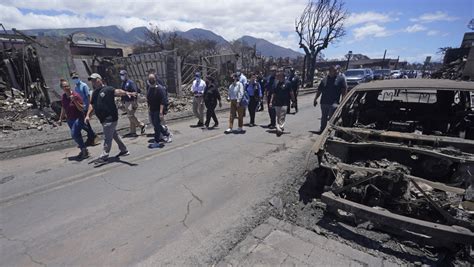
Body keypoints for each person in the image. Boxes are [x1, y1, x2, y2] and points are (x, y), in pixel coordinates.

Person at [85, 73, 133, 164]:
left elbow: (117, 91)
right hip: (103, 119)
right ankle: (124, 150)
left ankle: (104, 156)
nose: (93, 82)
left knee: (107, 138)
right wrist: (88, 115)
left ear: (100, 79)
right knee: (114, 134)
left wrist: (126, 92)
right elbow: (92, 105)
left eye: (95, 80)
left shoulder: (107, 89)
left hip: (110, 118)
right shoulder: (94, 92)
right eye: (92, 81)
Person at [58, 79, 89, 159]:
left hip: (78, 118)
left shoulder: (76, 95)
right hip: (70, 119)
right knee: (77, 135)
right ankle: (84, 150)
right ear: (62, 88)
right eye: (64, 86)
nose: (67, 88)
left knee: (74, 134)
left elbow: (82, 108)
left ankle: (84, 148)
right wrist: (60, 119)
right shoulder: (64, 97)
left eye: (67, 86)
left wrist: (75, 101)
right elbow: (63, 108)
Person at [313, 65, 347, 132]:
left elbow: (344, 90)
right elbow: (319, 90)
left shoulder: (340, 79)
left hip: (334, 103)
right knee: (324, 117)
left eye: (336, 70)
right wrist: (315, 99)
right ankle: (322, 130)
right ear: (330, 71)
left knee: (332, 118)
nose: (336, 71)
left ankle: (331, 131)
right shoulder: (324, 79)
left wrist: (343, 100)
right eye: (334, 70)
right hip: (324, 102)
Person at [70, 72, 99, 146]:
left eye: (76, 78)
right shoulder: (76, 87)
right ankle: (91, 136)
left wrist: (90, 106)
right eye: (73, 78)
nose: (75, 79)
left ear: (78, 77)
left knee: (85, 123)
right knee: (85, 124)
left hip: (86, 107)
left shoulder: (84, 85)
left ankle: (92, 136)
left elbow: (88, 96)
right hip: (81, 107)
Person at [147, 74, 172, 148]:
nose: (151, 81)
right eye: (150, 79)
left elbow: (162, 101)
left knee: (156, 126)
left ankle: (157, 141)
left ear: (155, 79)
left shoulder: (160, 89)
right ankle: (167, 134)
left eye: (152, 79)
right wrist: (148, 109)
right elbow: (148, 99)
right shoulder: (149, 88)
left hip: (158, 110)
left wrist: (161, 112)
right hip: (152, 109)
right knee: (156, 125)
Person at [120, 70, 145, 137]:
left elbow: (135, 93)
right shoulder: (122, 83)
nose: (122, 76)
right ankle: (133, 132)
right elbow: (122, 93)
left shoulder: (130, 82)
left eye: (123, 75)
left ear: (126, 75)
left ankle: (141, 125)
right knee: (131, 116)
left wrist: (134, 102)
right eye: (121, 75)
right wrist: (122, 101)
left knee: (130, 115)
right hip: (126, 102)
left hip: (131, 102)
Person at [270, 69, 294, 136]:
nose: (277, 77)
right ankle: (279, 127)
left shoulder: (288, 83)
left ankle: (280, 127)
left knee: (282, 116)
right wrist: (271, 102)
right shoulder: (276, 83)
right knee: (278, 116)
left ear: (282, 76)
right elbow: (273, 94)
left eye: (279, 76)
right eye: (277, 76)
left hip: (285, 102)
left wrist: (293, 101)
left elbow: (291, 93)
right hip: (277, 102)